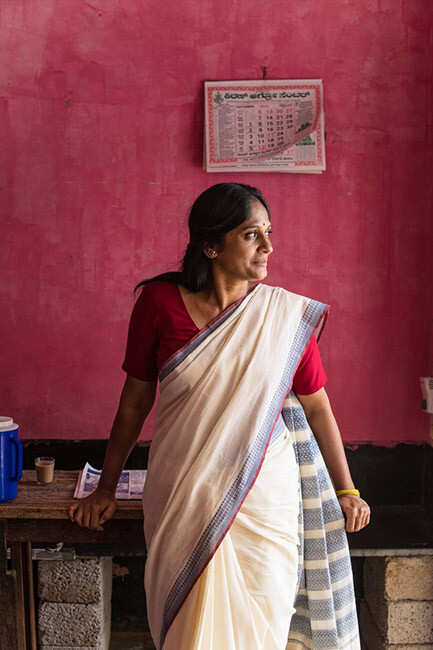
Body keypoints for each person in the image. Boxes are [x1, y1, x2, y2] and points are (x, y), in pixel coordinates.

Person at [69, 183, 370, 650]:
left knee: (264, 621)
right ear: (212, 245)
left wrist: (347, 489)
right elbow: (134, 403)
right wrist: (105, 487)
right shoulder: (159, 303)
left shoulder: (282, 318)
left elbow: (317, 407)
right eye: (252, 234)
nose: (268, 246)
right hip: (182, 494)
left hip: (264, 500)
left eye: (268, 232)